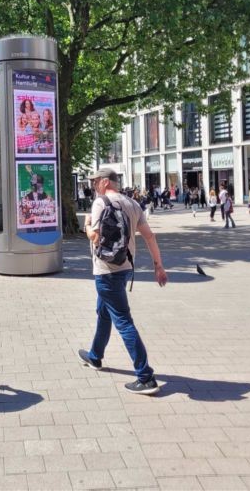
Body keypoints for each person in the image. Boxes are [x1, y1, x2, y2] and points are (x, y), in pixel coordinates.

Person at [79, 167, 168, 395]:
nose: (94, 185)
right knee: (104, 312)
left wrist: (87, 224)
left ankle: (145, 376)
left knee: (123, 321)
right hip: (125, 267)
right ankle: (95, 356)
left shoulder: (101, 203)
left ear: (106, 182)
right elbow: (150, 236)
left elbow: (94, 236)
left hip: (105, 270)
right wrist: (158, 266)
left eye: (96, 181)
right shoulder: (132, 204)